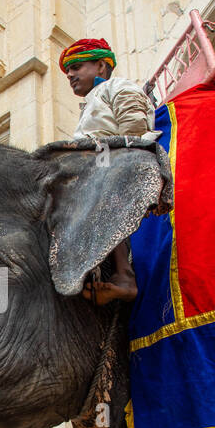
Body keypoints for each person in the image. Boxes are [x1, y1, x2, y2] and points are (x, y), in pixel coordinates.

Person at [59, 37, 155, 304]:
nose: (70, 74)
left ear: (101, 65)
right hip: (95, 166)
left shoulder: (119, 87)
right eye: (69, 70)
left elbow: (135, 129)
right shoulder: (90, 101)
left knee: (100, 197)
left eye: (77, 66)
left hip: (115, 166)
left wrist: (118, 162)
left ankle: (124, 276)